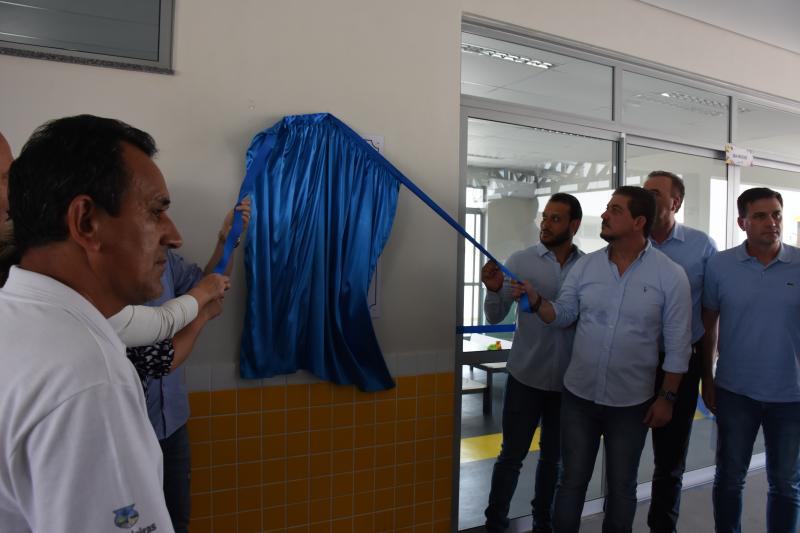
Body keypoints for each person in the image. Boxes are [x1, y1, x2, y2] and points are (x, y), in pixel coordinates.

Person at [0, 114, 179, 532]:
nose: (174, 236)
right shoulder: (88, 379)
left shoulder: (14, 317)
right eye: (156, 212)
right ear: (86, 222)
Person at [520, 186, 692, 533]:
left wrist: (667, 397)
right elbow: (564, 314)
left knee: (622, 487)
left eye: (615, 210)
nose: (604, 215)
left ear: (639, 222)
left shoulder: (670, 275)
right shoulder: (586, 267)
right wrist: (537, 302)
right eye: (607, 208)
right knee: (571, 482)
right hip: (579, 397)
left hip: (631, 402)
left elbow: (678, 345)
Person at [145, 197, 250, 533]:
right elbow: (158, 361)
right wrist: (202, 315)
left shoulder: (168, 262)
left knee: (177, 522)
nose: (174, 236)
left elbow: (207, 285)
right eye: (156, 213)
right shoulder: (103, 287)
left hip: (173, 424)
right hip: (136, 431)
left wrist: (226, 240)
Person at [482, 193, 585, 533]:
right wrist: (493, 290)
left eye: (556, 219)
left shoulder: (587, 268)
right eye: (545, 217)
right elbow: (495, 315)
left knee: (553, 460)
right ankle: (495, 524)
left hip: (567, 384)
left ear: (573, 225)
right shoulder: (520, 261)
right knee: (511, 457)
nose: (546, 224)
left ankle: (544, 523)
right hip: (525, 377)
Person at [702, 187, 800, 533]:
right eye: (760, 216)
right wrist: (707, 379)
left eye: (776, 214)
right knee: (730, 478)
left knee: (786, 484)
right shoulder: (720, 265)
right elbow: (708, 326)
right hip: (735, 391)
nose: (771, 222)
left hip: (791, 395)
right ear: (742, 222)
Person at [643, 171, 717, 532]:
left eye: (655, 193)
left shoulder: (701, 246)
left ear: (676, 202)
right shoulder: (631, 242)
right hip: (633, 362)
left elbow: (710, 315)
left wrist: (708, 376)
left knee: (670, 462)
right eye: (644, 192)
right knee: (623, 455)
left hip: (681, 366)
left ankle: (662, 527)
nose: (647, 198)